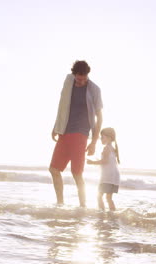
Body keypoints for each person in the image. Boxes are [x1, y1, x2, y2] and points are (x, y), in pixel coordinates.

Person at [50, 60, 103, 207]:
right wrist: (56, 126)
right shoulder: (68, 81)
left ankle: (83, 206)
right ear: (74, 75)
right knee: (54, 169)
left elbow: (100, 118)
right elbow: (62, 105)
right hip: (64, 132)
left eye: (84, 79)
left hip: (80, 134)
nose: (80, 82)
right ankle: (60, 204)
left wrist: (94, 142)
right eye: (78, 79)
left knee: (76, 173)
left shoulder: (94, 90)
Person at [87, 127, 120, 211]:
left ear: (109, 138)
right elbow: (108, 162)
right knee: (109, 198)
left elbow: (105, 161)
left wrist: (92, 162)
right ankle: (112, 214)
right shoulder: (113, 149)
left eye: (102, 137)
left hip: (108, 177)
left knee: (99, 196)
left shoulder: (106, 148)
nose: (100, 139)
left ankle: (101, 213)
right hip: (114, 178)